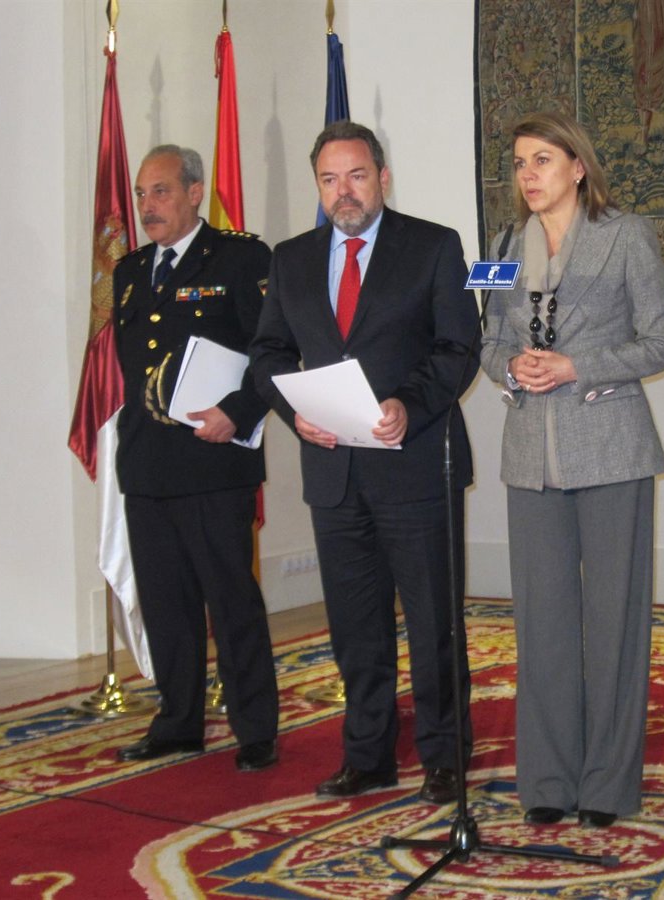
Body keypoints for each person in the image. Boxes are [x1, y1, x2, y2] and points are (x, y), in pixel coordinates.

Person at [249, 121, 479, 806]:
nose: (342, 191)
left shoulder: (433, 246)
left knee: (433, 623)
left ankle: (444, 756)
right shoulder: (291, 258)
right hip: (334, 474)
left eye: (355, 176)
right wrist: (294, 411)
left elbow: (458, 347)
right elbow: (268, 352)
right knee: (355, 629)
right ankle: (368, 755)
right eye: (329, 179)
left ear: (382, 177)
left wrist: (410, 403)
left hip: (416, 468)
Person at [480, 111, 664, 828]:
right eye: (519, 163)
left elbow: (661, 342)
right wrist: (511, 365)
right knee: (543, 623)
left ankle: (607, 785)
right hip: (530, 454)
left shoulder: (626, 235)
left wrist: (576, 366)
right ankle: (547, 779)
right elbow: (488, 340)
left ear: (578, 167)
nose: (528, 175)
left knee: (614, 619)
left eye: (542, 160)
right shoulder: (504, 245)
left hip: (611, 447)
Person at [113, 145, 279, 771]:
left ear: (193, 191)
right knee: (166, 604)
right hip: (148, 462)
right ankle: (178, 721)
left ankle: (255, 728)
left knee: (230, 600)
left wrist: (240, 411)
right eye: (141, 194)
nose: (147, 205)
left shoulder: (240, 259)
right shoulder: (130, 270)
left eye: (159, 191)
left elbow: (272, 351)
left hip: (213, 463)